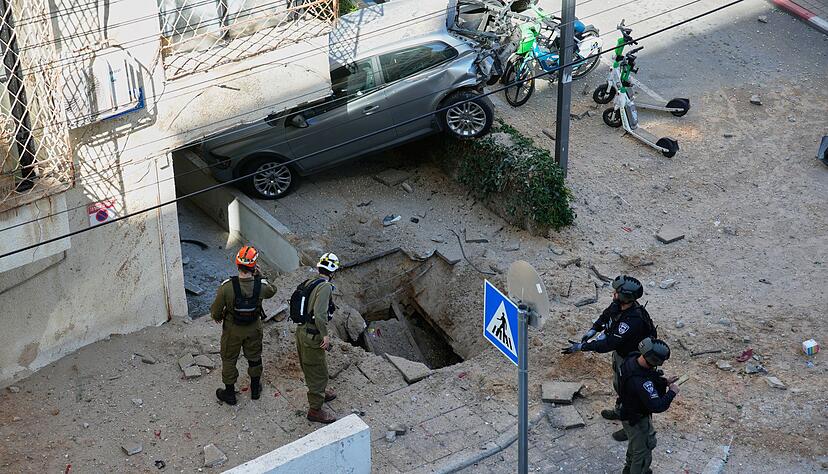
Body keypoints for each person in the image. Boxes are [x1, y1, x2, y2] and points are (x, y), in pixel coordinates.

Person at [561, 275, 656, 441]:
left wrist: (582, 347)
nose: (613, 294)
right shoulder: (621, 306)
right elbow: (607, 315)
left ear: (625, 296)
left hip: (635, 362)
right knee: (620, 386)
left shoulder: (632, 321)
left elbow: (608, 344)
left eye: (617, 292)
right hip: (623, 355)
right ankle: (621, 411)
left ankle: (633, 428)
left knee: (634, 395)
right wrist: (594, 329)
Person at [210, 246, 276, 405]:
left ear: (237, 264)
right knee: (254, 358)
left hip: (232, 329)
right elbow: (273, 290)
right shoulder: (261, 286)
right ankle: (255, 390)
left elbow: (215, 311)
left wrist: (218, 317)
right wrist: (260, 275)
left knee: (229, 359)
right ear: (254, 267)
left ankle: (230, 394)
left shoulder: (227, 287)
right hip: (253, 327)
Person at [617, 338, 679, 474]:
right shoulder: (642, 382)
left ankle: (628, 469)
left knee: (634, 446)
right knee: (642, 453)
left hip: (626, 412)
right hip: (637, 420)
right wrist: (672, 392)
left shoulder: (631, 359)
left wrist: (664, 382)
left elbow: (647, 375)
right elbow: (657, 406)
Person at [296, 252, 340, 423]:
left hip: (302, 332)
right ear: (333, 271)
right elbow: (320, 315)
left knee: (314, 367)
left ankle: (321, 393)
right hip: (312, 335)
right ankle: (315, 410)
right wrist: (326, 336)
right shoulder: (325, 287)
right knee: (318, 372)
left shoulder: (310, 282)